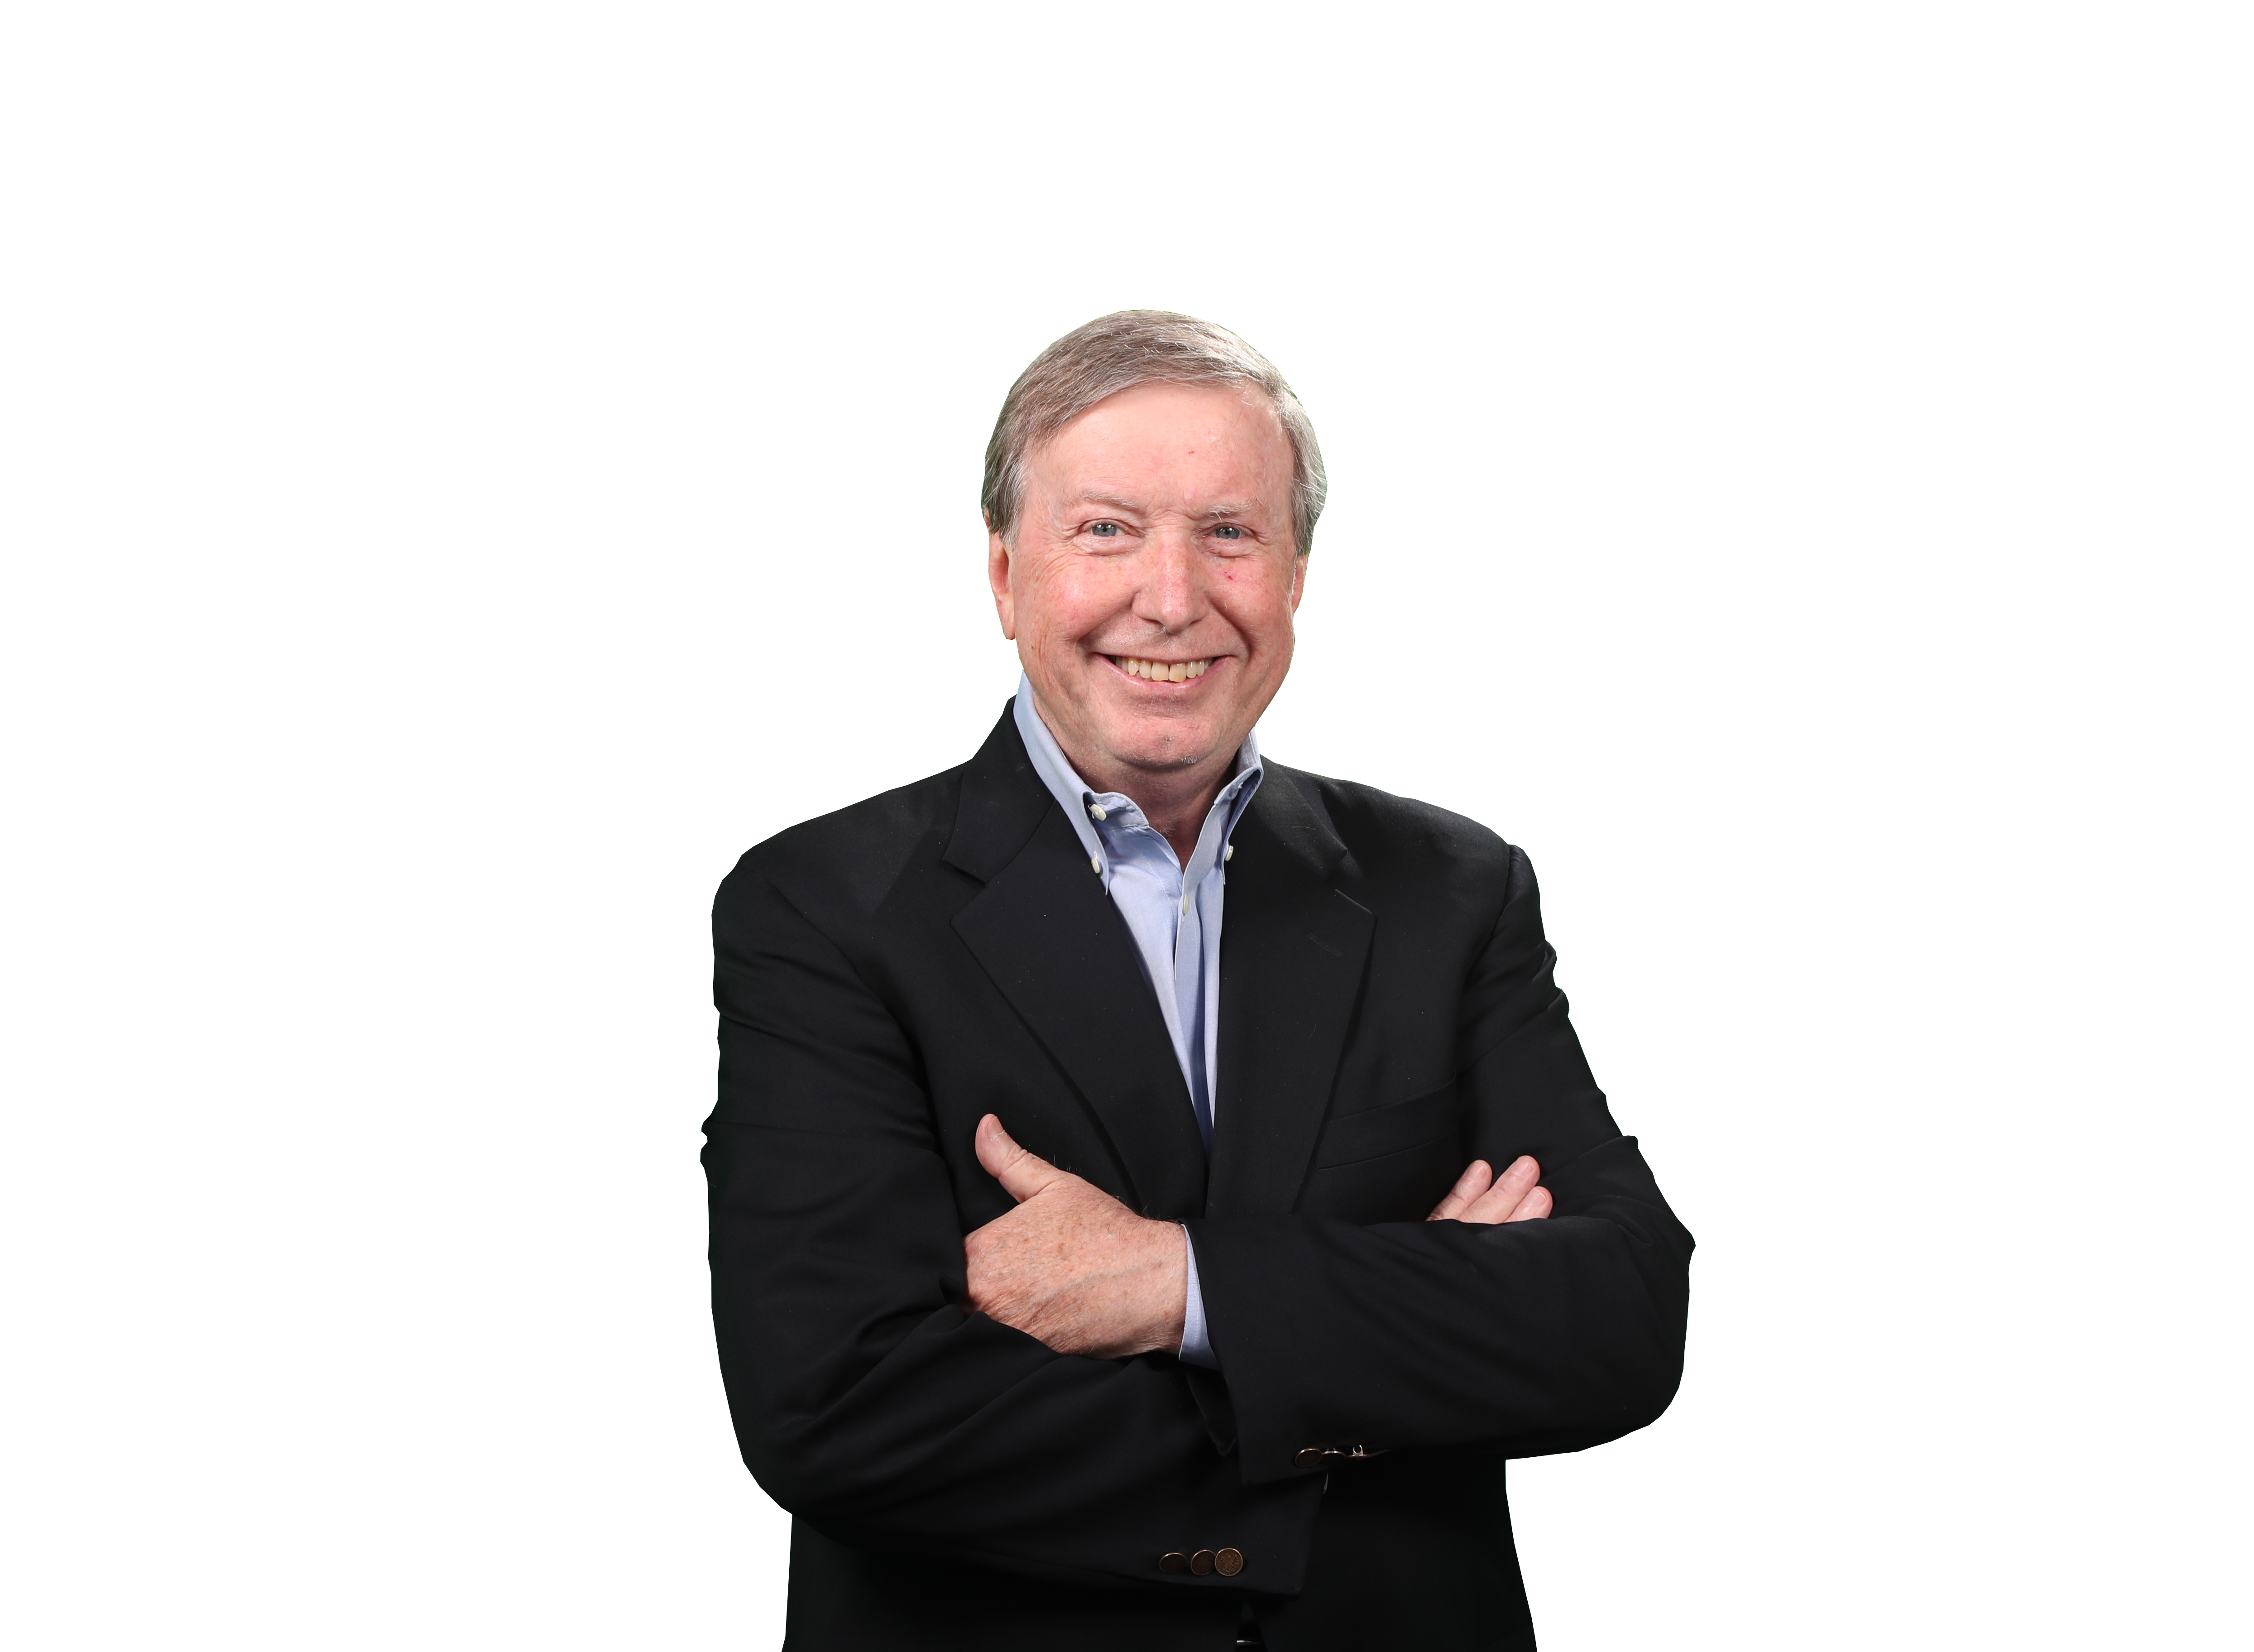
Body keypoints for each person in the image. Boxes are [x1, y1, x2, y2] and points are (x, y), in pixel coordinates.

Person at [703, 311, 1693, 1652]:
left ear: (1294, 576)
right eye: (1106, 530)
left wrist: (1177, 1287)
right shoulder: (819, 908)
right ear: (1006, 573)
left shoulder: (1456, 892)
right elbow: (838, 1412)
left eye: (1230, 532)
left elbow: (1622, 1317)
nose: (1171, 598)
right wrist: (1394, 1348)